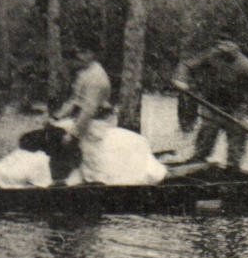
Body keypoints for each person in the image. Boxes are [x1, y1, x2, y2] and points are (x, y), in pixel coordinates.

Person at [50, 41, 165, 186]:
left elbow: (89, 110)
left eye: (84, 52)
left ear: (93, 54)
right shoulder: (83, 73)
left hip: (96, 122)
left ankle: (80, 178)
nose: (80, 56)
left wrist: (73, 134)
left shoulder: (96, 77)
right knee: (53, 130)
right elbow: (74, 100)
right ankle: (58, 174)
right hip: (83, 118)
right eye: (78, 52)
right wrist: (56, 117)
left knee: (68, 140)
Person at [171, 35, 248, 169]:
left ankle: (232, 169)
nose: (221, 50)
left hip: (235, 109)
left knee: (236, 143)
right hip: (212, 105)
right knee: (205, 137)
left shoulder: (246, 66)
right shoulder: (211, 55)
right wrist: (181, 79)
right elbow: (187, 64)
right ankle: (197, 162)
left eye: (227, 47)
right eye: (220, 46)